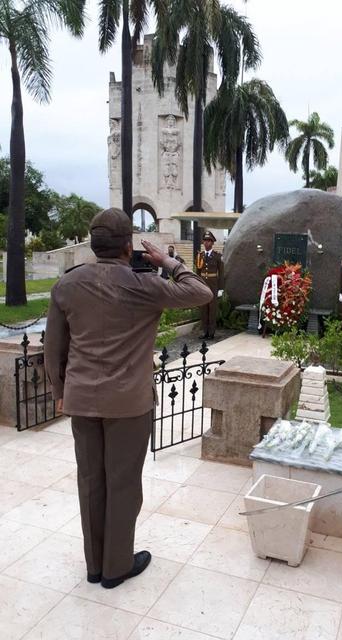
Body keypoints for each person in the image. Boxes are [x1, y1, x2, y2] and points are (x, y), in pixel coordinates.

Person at [44, 208, 212, 589]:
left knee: (90, 482)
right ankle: (115, 567)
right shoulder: (145, 284)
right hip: (129, 404)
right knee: (122, 484)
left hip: (82, 401)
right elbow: (201, 293)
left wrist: (59, 393)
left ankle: (94, 565)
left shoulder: (67, 285)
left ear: (92, 243)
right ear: (127, 245)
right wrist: (168, 261)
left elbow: (54, 350)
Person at [195, 230, 224, 340]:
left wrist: (221, 288)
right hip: (202, 285)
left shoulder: (217, 256)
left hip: (213, 285)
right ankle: (204, 332)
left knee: (212, 309)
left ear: (212, 243)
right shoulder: (200, 256)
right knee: (203, 308)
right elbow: (197, 273)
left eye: (209, 241)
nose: (206, 243)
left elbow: (221, 273)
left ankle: (211, 332)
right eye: (205, 241)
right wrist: (197, 285)